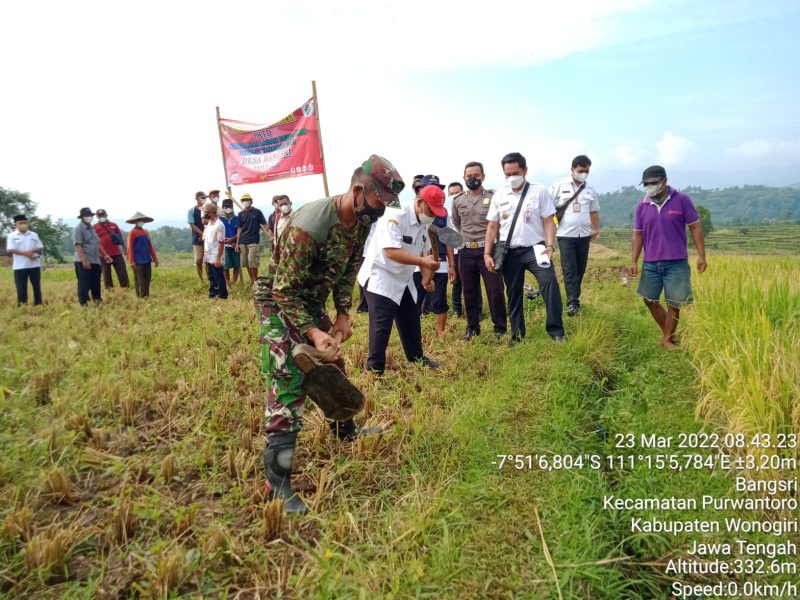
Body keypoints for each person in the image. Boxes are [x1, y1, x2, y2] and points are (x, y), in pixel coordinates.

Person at [256, 154, 405, 514]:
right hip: (279, 300)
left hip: (310, 300)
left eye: (386, 206)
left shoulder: (362, 222)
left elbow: (347, 271)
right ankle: (276, 482)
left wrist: (341, 315)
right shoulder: (310, 225)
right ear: (357, 191)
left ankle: (344, 430)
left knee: (334, 362)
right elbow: (283, 290)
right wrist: (310, 332)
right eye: (377, 202)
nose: (381, 212)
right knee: (290, 378)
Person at [358, 183, 444, 374]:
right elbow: (390, 251)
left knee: (410, 317)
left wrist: (426, 280)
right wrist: (423, 260)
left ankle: (417, 358)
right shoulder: (396, 214)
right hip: (380, 275)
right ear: (420, 202)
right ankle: (375, 370)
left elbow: (425, 253)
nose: (433, 215)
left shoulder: (425, 223)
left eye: (437, 212)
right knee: (382, 324)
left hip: (403, 277)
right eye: (431, 209)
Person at [484, 152, 564, 343]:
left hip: (536, 249)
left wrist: (550, 245)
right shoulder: (500, 196)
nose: (512, 177)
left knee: (549, 284)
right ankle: (517, 335)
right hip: (509, 251)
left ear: (525, 170)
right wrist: (487, 252)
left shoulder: (539, 191)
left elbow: (548, 220)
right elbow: (493, 226)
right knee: (513, 293)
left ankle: (556, 331)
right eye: (508, 174)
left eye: (516, 172)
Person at [629, 165, 707, 349]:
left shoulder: (682, 200)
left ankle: (666, 339)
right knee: (649, 299)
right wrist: (633, 260)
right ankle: (669, 334)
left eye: (653, 183)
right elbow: (638, 234)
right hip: (651, 262)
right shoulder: (643, 205)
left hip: (676, 262)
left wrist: (702, 255)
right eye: (646, 184)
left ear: (664, 181)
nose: (650, 186)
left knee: (675, 301)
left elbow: (695, 227)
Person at [452, 161, 507, 340]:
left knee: (495, 289)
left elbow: (498, 224)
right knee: (469, 290)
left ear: (483, 176)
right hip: (466, 251)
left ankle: (500, 328)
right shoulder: (458, 200)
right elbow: (457, 223)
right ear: (464, 178)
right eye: (469, 176)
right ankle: (472, 327)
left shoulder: (493, 197)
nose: (472, 179)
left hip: (488, 250)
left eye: (476, 175)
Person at [550, 155, 600, 316]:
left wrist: (595, 228)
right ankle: (572, 302)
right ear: (572, 169)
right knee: (569, 268)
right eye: (580, 171)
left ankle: (574, 297)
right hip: (565, 234)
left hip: (584, 234)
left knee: (580, 268)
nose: (583, 174)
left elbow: (593, 210)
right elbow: (547, 206)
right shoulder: (559, 185)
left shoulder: (590, 189)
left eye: (586, 171)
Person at [412, 175, 456, 336]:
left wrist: (452, 265)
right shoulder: (412, 211)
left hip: (440, 263)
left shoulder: (444, 214)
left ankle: (440, 334)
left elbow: (451, 240)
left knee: (439, 300)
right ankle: (413, 333)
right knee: (414, 301)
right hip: (417, 264)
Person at [72, 207, 113, 305]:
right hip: (83, 260)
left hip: (95, 259)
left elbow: (97, 243)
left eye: (90, 215)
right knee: (84, 283)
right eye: (86, 216)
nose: (89, 217)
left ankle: (97, 300)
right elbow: (78, 245)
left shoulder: (92, 228)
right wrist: (84, 260)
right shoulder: (78, 229)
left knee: (96, 282)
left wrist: (105, 255)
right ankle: (83, 303)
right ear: (82, 217)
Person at [6, 214, 44, 306]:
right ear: (16, 224)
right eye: (20, 223)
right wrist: (27, 254)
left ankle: (38, 304)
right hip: (20, 266)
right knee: (21, 288)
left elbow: (40, 247)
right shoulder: (12, 236)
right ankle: (22, 305)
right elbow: (11, 249)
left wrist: (31, 251)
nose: (23, 224)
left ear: (28, 223)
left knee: (37, 287)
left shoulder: (34, 234)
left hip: (34, 265)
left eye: (25, 223)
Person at [235, 192, 269, 285]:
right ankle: (252, 281)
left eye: (247, 200)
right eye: (243, 200)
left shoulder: (257, 212)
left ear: (251, 201)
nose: (245, 202)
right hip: (243, 241)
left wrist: (270, 235)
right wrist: (237, 243)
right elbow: (239, 228)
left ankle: (256, 281)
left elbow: (265, 224)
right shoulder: (241, 214)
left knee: (252, 262)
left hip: (253, 241)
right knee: (246, 263)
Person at [94, 209, 130, 290]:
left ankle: (125, 289)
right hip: (103, 255)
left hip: (116, 253)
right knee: (106, 274)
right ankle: (109, 291)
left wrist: (125, 249)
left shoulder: (114, 225)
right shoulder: (95, 227)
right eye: (100, 216)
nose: (101, 217)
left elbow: (121, 238)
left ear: (106, 215)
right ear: (97, 217)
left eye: (103, 215)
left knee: (122, 272)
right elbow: (94, 242)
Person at [126, 212, 159, 298]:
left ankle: (146, 296)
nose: (141, 222)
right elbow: (130, 247)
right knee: (140, 281)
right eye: (139, 220)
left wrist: (155, 258)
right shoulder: (132, 232)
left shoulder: (145, 232)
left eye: (142, 220)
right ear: (135, 222)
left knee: (147, 279)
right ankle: (141, 297)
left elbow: (150, 246)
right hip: (138, 261)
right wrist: (131, 261)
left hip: (147, 259)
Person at [447, 181, 464, 318]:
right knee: (457, 282)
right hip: (457, 251)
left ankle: (477, 308)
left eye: (457, 193)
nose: (454, 196)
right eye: (451, 194)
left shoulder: (467, 209)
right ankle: (457, 310)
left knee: (473, 281)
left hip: (471, 249)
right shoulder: (447, 214)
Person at [203, 204, 228, 300]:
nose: (204, 213)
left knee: (219, 276)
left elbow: (221, 243)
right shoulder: (209, 223)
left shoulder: (219, 225)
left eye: (205, 211)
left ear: (211, 212)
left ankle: (223, 295)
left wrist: (218, 259)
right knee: (211, 276)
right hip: (208, 255)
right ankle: (213, 293)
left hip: (216, 255)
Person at [219, 198, 241, 285]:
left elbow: (240, 231)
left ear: (232, 207)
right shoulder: (220, 219)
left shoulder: (237, 218)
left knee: (237, 265)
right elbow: (218, 233)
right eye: (226, 207)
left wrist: (234, 241)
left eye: (230, 206)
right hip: (224, 246)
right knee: (226, 266)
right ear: (222, 208)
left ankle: (234, 283)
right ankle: (228, 284)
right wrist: (227, 241)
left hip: (236, 245)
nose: (228, 208)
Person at [188, 191, 207, 283]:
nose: (203, 199)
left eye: (204, 197)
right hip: (197, 238)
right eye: (201, 197)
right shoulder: (192, 211)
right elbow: (192, 225)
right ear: (197, 198)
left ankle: (209, 278)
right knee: (198, 260)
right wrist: (202, 234)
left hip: (208, 238)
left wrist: (206, 234)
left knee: (208, 259)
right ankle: (201, 279)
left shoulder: (207, 209)